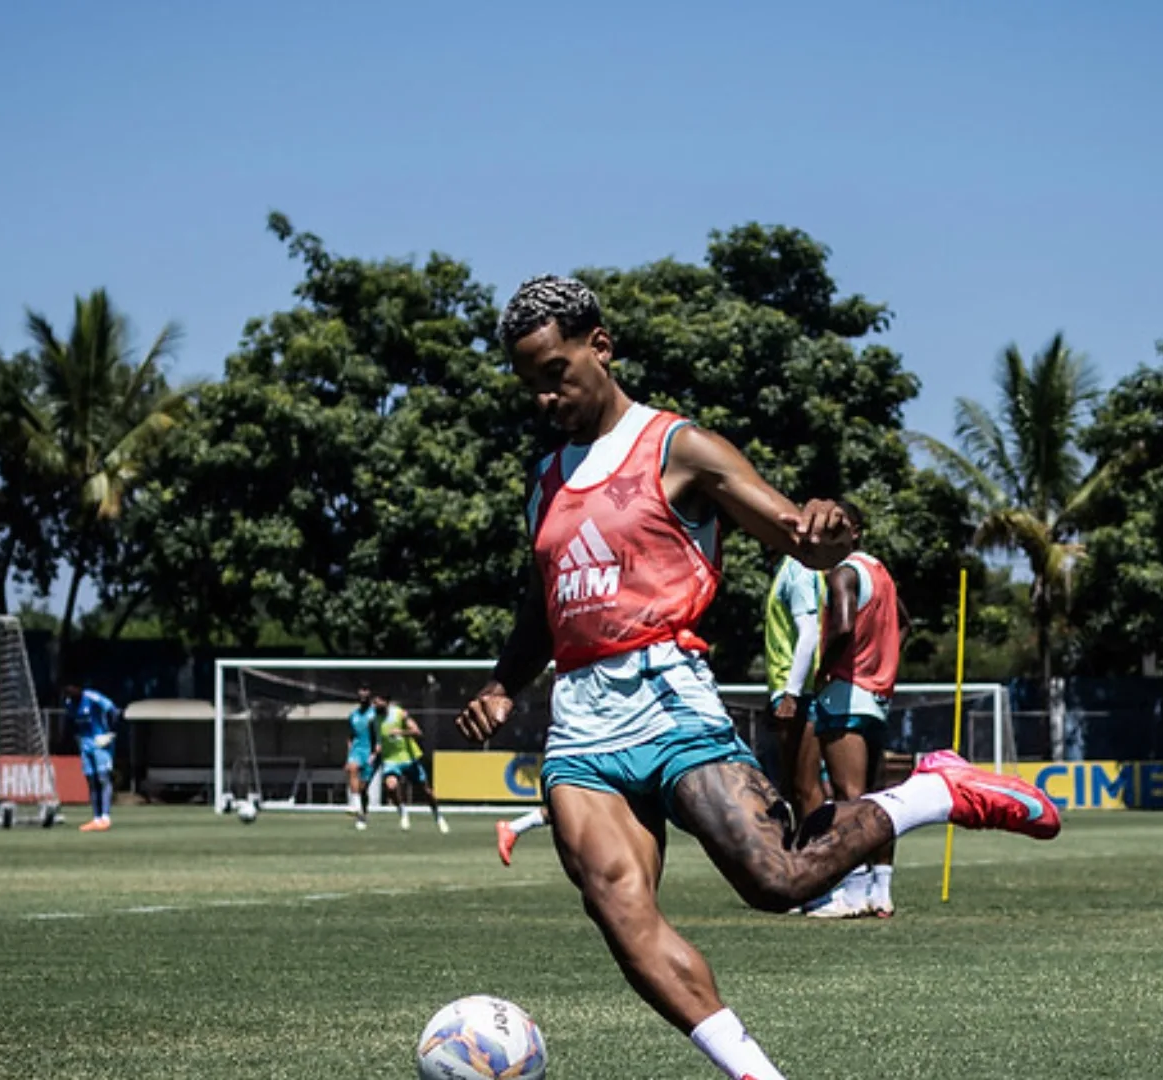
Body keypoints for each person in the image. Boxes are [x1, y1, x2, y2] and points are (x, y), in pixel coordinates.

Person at [455, 276, 1060, 1080]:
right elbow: (545, 600)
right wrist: (504, 683)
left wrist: (826, 528)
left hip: (670, 703)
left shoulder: (678, 447)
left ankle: (935, 793)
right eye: (531, 383)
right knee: (620, 911)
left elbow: (798, 536)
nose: (546, 396)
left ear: (601, 347)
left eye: (557, 371)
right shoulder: (545, 482)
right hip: (581, 727)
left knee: (777, 881)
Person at [804, 505, 911, 919]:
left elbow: (843, 627)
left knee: (848, 798)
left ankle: (850, 894)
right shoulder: (880, 572)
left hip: (847, 693)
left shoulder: (843, 573)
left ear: (854, 533)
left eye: (836, 528)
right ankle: (880, 890)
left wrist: (826, 669)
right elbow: (905, 622)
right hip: (877, 697)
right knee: (876, 797)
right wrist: (884, 659)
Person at [763, 554, 827, 825]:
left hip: (800, 691)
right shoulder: (796, 569)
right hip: (800, 688)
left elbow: (809, 632)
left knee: (805, 786)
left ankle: (820, 858)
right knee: (795, 786)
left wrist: (792, 692)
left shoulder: (798, 570)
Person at [374, 693, 448, 833]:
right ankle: (402, 812)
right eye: (374, 701)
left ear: (386, 702)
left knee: (427, 792)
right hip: (391, 760)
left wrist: (401, 732)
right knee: (391, 787)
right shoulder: (375, 718)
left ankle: (438, 816)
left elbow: (417, 732)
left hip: (409, 758)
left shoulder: (399, 714)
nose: (375, 704)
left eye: (378, 701)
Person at [63, 682, 120, 832]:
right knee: (91, 780)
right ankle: (96, 818)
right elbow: (71, 722)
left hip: (100, 741)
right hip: (85, 743)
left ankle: (106, 817)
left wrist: (111, 733)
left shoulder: (92, 697)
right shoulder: (69, 702)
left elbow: (113, 711)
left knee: (103, 778)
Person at [345, 686, 379, 831]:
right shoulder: (353, 716)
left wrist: (375, 754)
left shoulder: (375, 715)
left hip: (369, 752)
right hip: (357, 750)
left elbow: (379, 736)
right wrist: (349, 752)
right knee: (352, 768)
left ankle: (362, 815)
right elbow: (350, 735)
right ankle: (355, 805)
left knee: (363, 788)